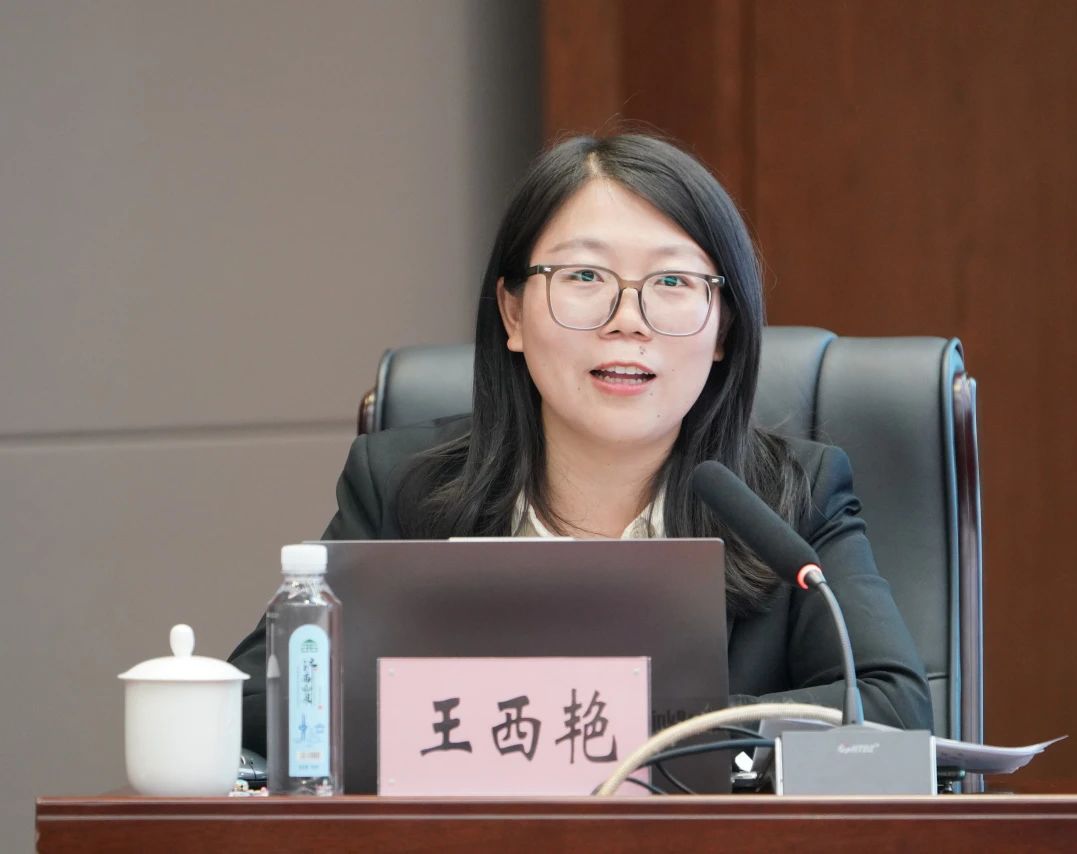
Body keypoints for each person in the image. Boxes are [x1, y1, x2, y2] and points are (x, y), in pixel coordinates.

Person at [230, 134, 932, 759]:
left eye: (673, 282)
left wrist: (615, 724)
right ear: (512, 313)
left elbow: (891, 709)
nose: (627, 321)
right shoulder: (400, 485)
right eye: (585, 277)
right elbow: (262, 699)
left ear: (723, 329)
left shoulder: (792, 496)